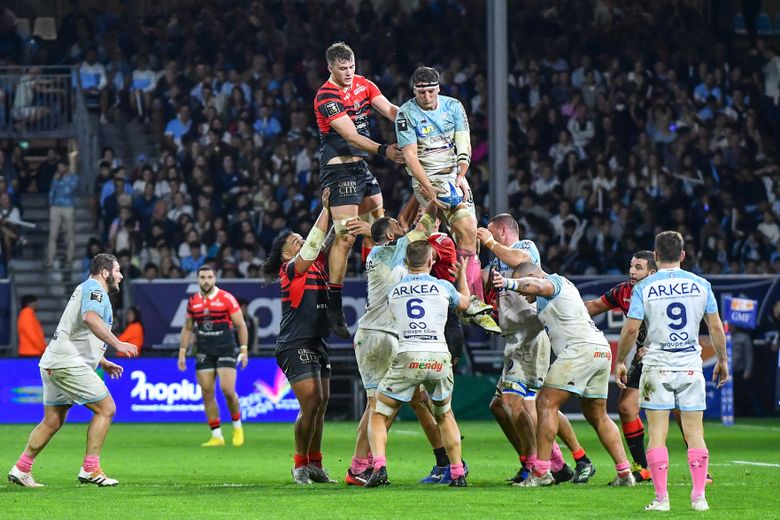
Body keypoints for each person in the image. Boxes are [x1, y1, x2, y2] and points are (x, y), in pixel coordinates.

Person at [493, 263, 635, 488]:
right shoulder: (558, 293)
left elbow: (537, 284)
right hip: (600, 349)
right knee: (597, 415)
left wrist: (508, 283)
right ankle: (625, 472)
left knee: (545, 402)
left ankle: (541, 472)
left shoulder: (554, 282)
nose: (523, 295)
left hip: (580, 349)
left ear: (530, 278)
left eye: (523, 291)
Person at [615, 231, 729, 512]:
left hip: (657, 365)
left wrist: (620, 361)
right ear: (682, 255)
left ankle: (662, 499)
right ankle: (699, 498)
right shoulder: (701, 284)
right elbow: (715, 326)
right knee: (695, 432)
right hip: (690, 364)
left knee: (657, 433)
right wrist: (723, 360)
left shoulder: (645, 288)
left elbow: (631, 328)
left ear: (655, 256)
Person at [8, 254, 138, 488]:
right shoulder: (94, 289)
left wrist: (103, 360)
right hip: (68, 363)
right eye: (117, 270)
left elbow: (81, 334)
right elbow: (89, 319)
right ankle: (90, 468)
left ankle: (21, 468)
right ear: (105, 272)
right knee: (106, 409)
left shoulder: (87, 290)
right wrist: (118, 344)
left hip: (54, 362)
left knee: (52, 420)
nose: (121, 275)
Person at [479, 214, 589, 485]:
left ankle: (542, 465)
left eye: (493, 233)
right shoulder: (495, 259)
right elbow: (480, 284)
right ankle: (556, 462)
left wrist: (490, 243)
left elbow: (519, 262)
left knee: (520, 402)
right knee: (501, 406)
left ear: (504, 231)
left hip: (531, 335)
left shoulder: (526, 247)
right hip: (514, 338)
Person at [343, 203, 442, 486]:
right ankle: (364, 467)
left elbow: (408, 230)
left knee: (378, 404)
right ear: (389, 238)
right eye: (397, 229)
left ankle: (358, 466)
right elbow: (422, 227)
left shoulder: (384, 253)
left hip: (379, 336)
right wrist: (432, 198)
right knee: (379, 405)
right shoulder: (390, 251)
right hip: (378, 336)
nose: (402, 228)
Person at [314, 42, 404, 338]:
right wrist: (384, 149)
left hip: (361, 166)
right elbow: (350, 135)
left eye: (351, 67)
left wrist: (413, 119)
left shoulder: (364, 83)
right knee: (346, 235)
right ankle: (334, 304)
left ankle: (376, 290)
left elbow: (390, 110)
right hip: (338, 168)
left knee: (380, 223)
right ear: (330, 68)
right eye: (342, 69)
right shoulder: (326, 96)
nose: (349, 73)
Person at [365, 240, 472, 488]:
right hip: (438, 356)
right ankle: (457, 472)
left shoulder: (394, 291)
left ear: (405, 262)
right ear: (431, 261)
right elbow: (465, 303)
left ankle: (379, 466)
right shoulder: (443, 287)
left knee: (379, 413)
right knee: (444, 415)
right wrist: (463, 276)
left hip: (408, 356)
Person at [262, 188, 336, 485]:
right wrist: (326, 208)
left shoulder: (316, 264)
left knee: (322, 402)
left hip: (317, 341)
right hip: (294, 343)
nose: (303, 242)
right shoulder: (290, 269)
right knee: (312, 400)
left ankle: (315, 463)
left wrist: (341, 216)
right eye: (296, 241)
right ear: (286, 253)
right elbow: (317, 242)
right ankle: (299, 464)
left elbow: (327, 240)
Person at [395, 66, 484, 305]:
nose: (427, 98)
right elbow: (411, 156)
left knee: (470, 235)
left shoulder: (453, 106)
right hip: (427, 178)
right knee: (457, 230)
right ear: (414, 91)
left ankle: (472, 298)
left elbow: (464, 144)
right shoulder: (406, 113)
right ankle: (463, 300)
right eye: (421, 93)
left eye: (431, 92)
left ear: (438, 89)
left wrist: (461, 176)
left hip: (453, 177)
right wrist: (428, 188)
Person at [584, 250, 657, 482]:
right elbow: (595, 306)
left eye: (638, 268)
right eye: (631, 266)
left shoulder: (662, 292)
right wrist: (564, 307)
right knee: (626, 408)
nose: (632, 271)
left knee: (678, 412)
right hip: (643, 359)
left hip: (667, 356)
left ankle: (701, 467)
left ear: (652, 272)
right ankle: (642, 468)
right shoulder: (624, 291)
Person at [177, 265, 249, 448]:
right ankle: (217, 435)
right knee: (207, 392)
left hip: (225, 348)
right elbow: (187, 327)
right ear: (198, 279)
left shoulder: (226, 298)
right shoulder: (193, 301)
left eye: (209, 277)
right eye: (202, 277)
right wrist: (182, 352)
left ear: (215, 278)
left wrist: (244, 349)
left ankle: (237, 426)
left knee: (227, 390)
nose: (206, 280)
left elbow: (240, 325)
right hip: (204, 350)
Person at [45, 151, 78, 269]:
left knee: (70, 234)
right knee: (52, 234)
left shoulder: (73, 177)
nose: (59, 168)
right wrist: (51, 203)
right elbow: (52, 191)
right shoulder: (56, 177)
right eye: (58, 167)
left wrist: (60, 181)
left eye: (61, 166)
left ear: (66, 167)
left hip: (68, 207)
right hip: (55, 207)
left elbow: (69, 189)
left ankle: (70, 259)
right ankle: (50, 259)